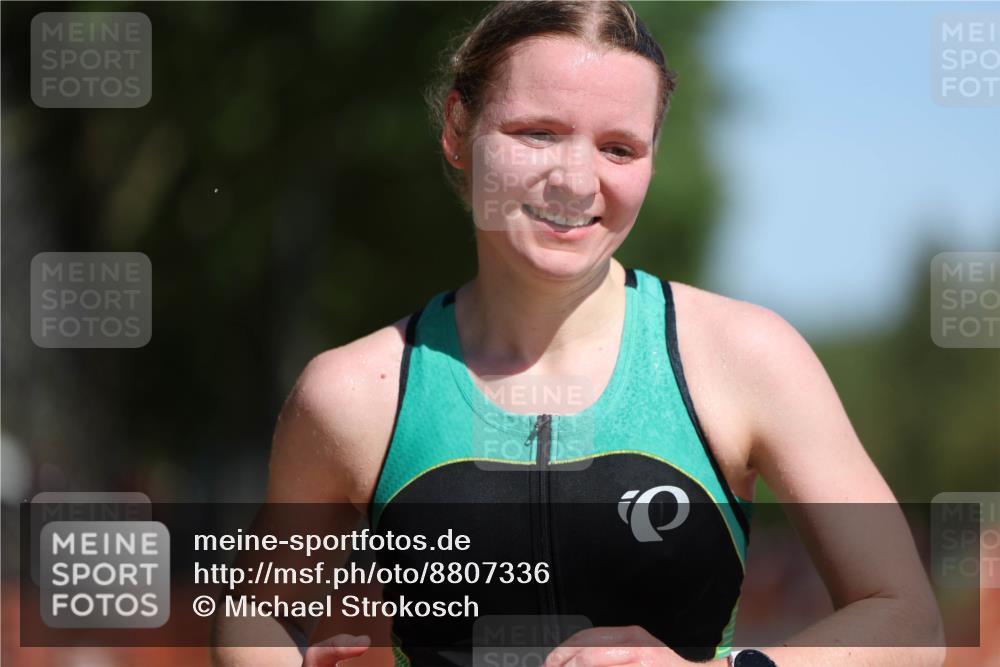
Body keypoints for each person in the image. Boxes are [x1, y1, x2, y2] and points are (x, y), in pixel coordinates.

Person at [213, 2, 945, 666]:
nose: (576, 179)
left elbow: (909, 622)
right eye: (538, 133)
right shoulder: (352, 392)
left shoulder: (747, 357)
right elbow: (257, 608)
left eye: (619, 148)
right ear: (457, 131)